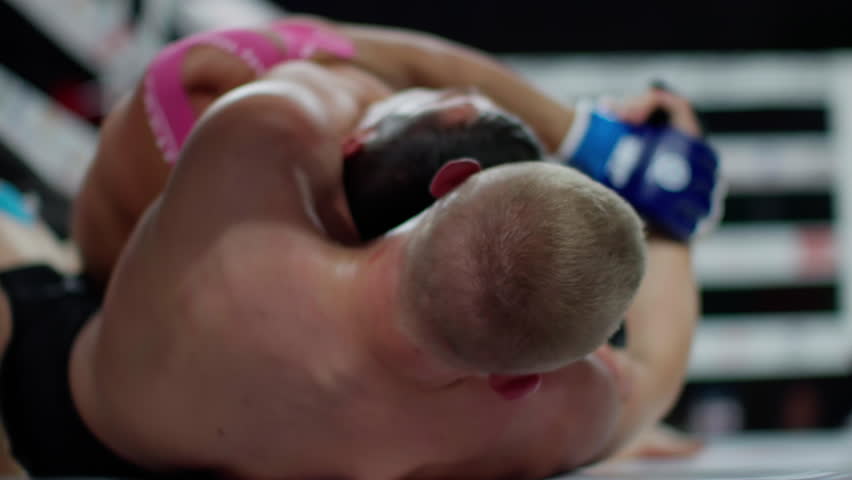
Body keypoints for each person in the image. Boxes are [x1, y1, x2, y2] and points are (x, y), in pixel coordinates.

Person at [0, 17, 709, 478]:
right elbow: (656, 375)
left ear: (451, 181)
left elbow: (387, 76)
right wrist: (675, 207)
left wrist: (591, 138)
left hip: (58, 380)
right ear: (521, 379)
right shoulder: (541, 419)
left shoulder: (250, 167)